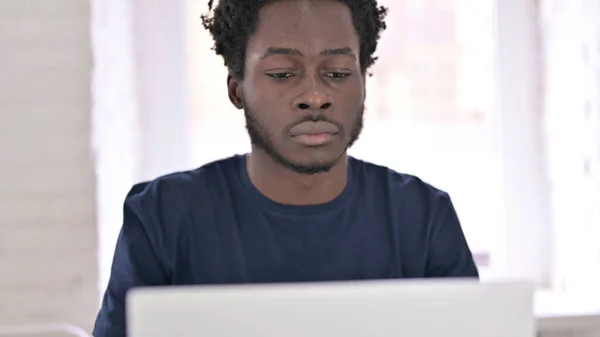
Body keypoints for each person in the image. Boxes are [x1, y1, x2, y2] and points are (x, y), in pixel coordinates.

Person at [93, 0, 478, 336]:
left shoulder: (423, 217)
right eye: (282, 73)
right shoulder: (162, 217)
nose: (314, 97)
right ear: (236, 89)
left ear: (363, 82)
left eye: (339, 73)